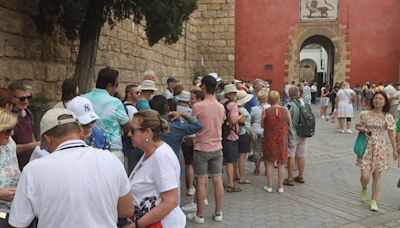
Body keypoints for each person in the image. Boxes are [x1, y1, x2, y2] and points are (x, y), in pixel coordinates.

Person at [9, 108, 134, 227]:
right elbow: (126, 210)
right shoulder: (111, 160)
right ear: (80, 132)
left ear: (48, 139)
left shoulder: (33, 170)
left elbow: (19, 223)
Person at [128, 110, 185, 227]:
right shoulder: (149, 152)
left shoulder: (161, 156)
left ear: (148, 132)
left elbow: (171, 201)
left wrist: (136, 225)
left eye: (133, 130)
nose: (129, 134)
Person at [187, 75, 225, 224]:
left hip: (202, 147)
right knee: (217, 179)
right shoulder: (221, 106)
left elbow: (192, 125)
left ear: (203, 87)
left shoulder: (198, 106)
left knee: (201, 181)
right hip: (217, 146)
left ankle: (200, 215)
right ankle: (218, 213)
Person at [355, 91, 396, 211]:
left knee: (377, 176)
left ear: (385, 102)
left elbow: (391, 132)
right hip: (366, 146)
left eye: (380, 99)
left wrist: (394, 149)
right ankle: (364, 188)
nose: (377, 101)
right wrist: (364, 129)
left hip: (380, 147)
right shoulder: (365, 114)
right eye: (376, 98)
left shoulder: (388, 116)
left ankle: (374, 201)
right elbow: (357, 125)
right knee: (365, 176)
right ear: (372, 100)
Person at [84, 67, 130, 163]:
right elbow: (127, 126)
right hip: (112, 151)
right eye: (116, 85)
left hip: (87, 149)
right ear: (110, 85)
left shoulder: (83, 99)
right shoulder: (115, 102)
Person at [261, 91, 291, 193]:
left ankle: (269, 186)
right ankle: (280, 187)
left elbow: (262, 125)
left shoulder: (266, 111)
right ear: (278, 99)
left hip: (270, 139)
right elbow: (289, 122)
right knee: (281, 163)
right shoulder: (285, 110)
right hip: (282, 139)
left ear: (269, 99)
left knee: (269, 163)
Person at [8, 80, 38, 171]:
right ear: (12, 98)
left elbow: (31, 136)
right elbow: (8, 149)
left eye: (29, 98)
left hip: (29, 165)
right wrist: (33, 145)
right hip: (14, 168)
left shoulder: (29, 114)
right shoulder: (8, 118)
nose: (26, 101)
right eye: (22, 99)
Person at [220, 84, 245, 193]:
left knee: (222, 160)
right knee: (231, 161)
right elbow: (233, 120)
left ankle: (221, 181)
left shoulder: (220, 102)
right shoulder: (233, 105)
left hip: (221, 134)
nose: (235, 95)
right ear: (230, 94)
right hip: (231, 135)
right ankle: (230, 183)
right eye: (234, 93)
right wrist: (241, 116)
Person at [284, 86, 307, 186]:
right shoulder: (303, 103)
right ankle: (301, 176)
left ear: (289, 94)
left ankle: (290, 178)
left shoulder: (289, 105)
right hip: (303, 132)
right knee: (301, 155)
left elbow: (287, 120)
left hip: (292, 133)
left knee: (291, 156)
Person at [0, 109, 19, 227]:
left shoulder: (8, 146)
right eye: (7, 130)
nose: (11, 133)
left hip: (15, 212)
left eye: (12, 129)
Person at [250, 91, 270, 176]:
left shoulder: (254, 109)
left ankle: (257, 169)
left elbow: (252, 121)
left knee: (257, 151)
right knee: (266, 151)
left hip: (257, 131)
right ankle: (267, 170)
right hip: (267, 132)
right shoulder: (270, 107)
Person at [236, 90, 253, 184]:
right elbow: (241, 124)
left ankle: (236, 174)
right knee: (242, 157)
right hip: (243, 134)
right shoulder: (242, 110)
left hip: (240, 134)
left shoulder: (237, 108)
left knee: (238, 156)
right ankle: (242, 177)